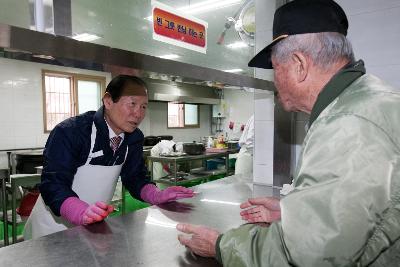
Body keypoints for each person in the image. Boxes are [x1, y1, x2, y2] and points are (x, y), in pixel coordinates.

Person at [176, 0, 400, 266]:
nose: (274, 81)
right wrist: (294, 212)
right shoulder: (369, 100)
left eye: (275, 68)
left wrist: (221, 245)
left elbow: (313, 253)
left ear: (299, 64)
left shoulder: (348, 123)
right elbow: (356, 214)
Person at [24, 75, 194, 239]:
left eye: (143, 106)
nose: (138, 113)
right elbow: (53, 184)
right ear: (108, 101)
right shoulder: (71, 132)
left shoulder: (134, 138)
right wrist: (79, 211)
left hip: (92, 225)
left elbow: (135, 177)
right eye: (132, 104)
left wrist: (156, 195)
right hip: (52, 228)